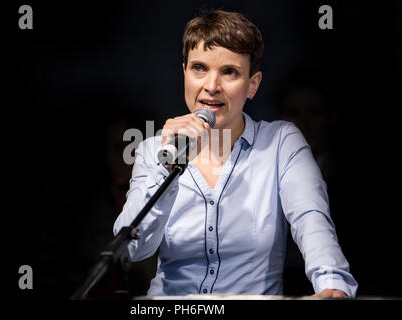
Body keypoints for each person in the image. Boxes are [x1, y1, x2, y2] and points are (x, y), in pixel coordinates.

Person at [114, 9, 357, 298]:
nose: (212, 86)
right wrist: (167, 166)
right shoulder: (153, 149)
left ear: (252, 85)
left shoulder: (281, 142)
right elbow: (129, 249)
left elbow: (311, 218)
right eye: (199, 68)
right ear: (184, 73)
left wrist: (332, 285)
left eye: (229, 72)